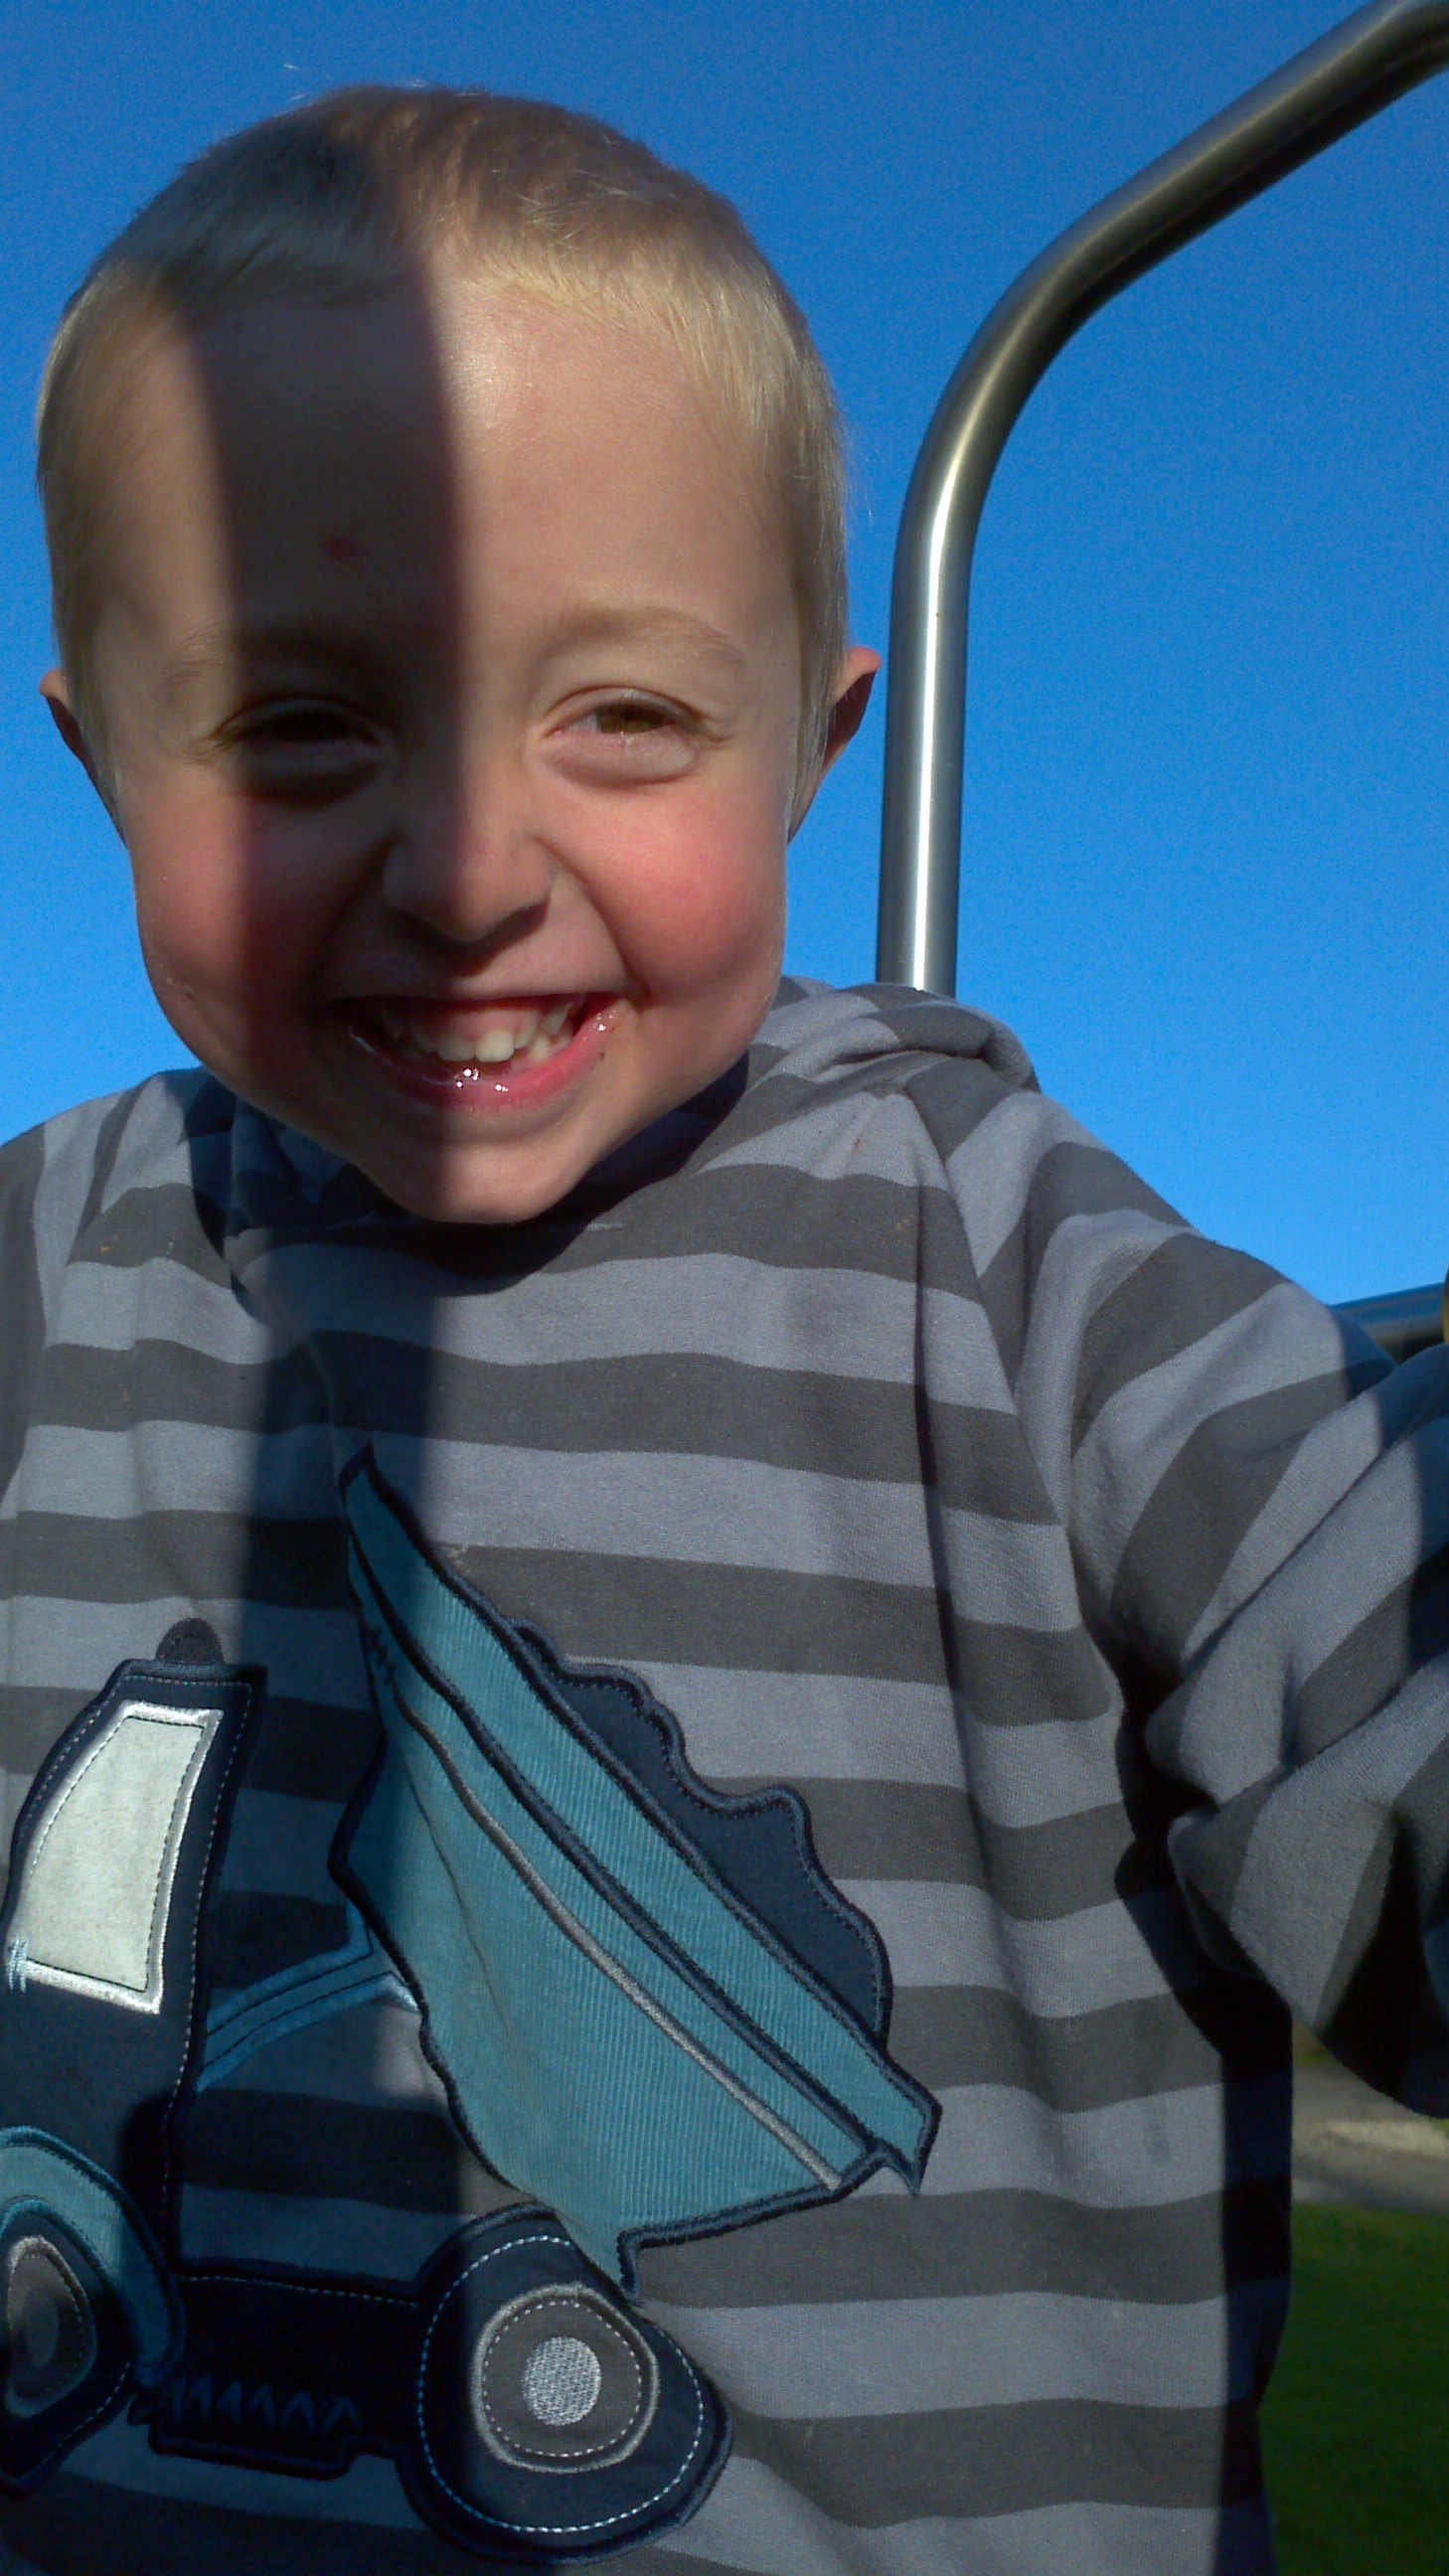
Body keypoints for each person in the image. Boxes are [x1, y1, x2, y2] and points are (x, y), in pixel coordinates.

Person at [0, 86, 1445, 2576]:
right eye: (299, 724)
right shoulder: (56, 1261)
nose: (468, 866)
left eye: (628, 719)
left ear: (811, 746)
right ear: (106, 764)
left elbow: (1370, 1605)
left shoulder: (993, 1256)